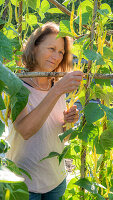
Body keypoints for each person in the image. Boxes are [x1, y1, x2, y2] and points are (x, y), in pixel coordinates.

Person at [6, 22, 83, 200]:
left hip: (56, 181)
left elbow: (64, 135)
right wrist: (57, 91)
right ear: (34, 48)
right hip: (24, 184)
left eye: (61, 52)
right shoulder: (17, 85)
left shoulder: (56, 83)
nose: (56, 56)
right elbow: (25, 131)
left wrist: (70, 121)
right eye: (51, 48)